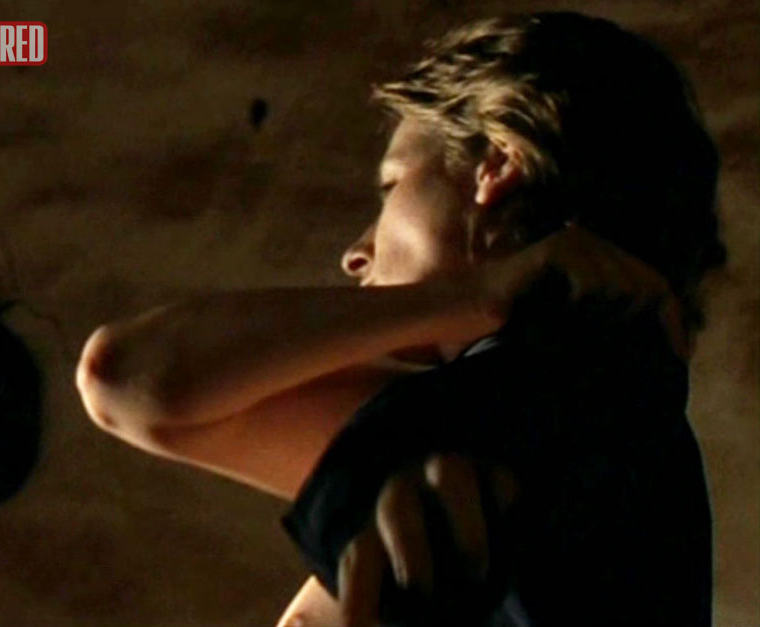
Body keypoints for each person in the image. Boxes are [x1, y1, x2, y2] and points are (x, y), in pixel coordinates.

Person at [75, 12, 725, 627]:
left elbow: (127, 378)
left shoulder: (536, 410)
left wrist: (476, 294)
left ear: (496, 168)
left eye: (392, 187)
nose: (355, 253)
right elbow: (137, 384)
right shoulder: (551, 412)